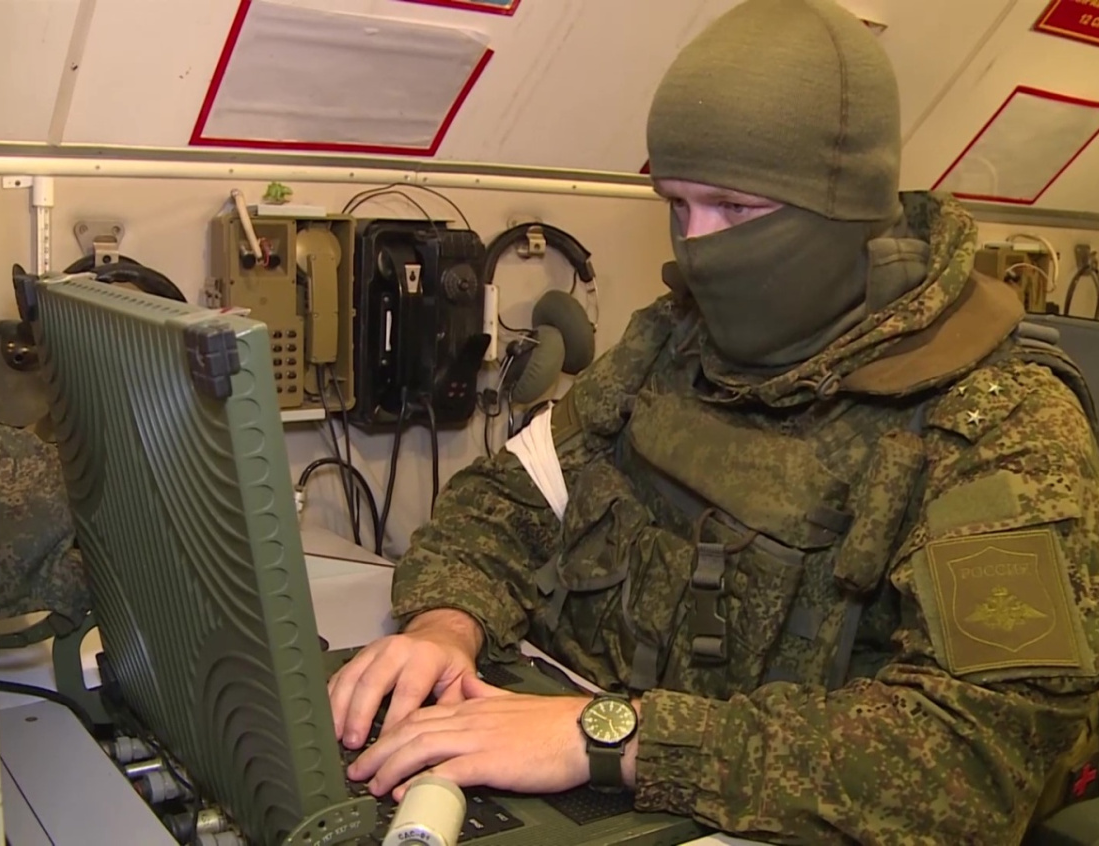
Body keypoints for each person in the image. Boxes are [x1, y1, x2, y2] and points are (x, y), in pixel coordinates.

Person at [328, 0, 1099, 840]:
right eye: (677, 204)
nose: (697, 247)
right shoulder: (667, 342)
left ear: (845, 210)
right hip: (579, 776)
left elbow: (975, 757)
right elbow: (507, 499)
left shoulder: (999, 420)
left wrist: (612, 739)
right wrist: (448, 622)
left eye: (734, 209)